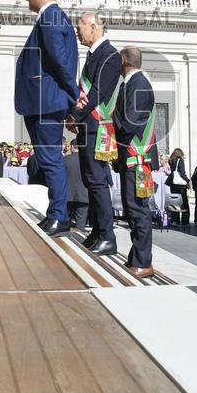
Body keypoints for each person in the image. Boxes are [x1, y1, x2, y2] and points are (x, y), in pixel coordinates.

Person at [15, 0, 78, 236]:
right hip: (45, 101)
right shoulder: (54, 17)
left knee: (51, 160)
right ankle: (56, 213)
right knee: (48, 159)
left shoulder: (50, 17)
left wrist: (74, 96)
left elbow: (60, 61)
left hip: (46, 102)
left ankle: (59, 216)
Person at [66, 13, 121, 254]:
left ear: (93, 27)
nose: (77, 33)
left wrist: (74, 116)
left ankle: (108, 236)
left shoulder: (109, 55)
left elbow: (97, 93)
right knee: (90, 181)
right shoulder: (93, 55)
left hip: (97, 127)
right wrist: (75, 116)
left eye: (79, 28)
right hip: (87, 127)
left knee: (97, 182)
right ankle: (97, 232)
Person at [113, 46, 158, 278]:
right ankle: (136, 257)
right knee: (132, 209)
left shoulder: (139, 84)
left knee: (138, 210)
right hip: (130, 157)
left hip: (137, 157)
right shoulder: (130, 84)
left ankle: (143, 261)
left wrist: (110, 127)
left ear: (123, 60)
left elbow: (130, 123)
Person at [167, 148, 191, 226]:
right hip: (180, 185)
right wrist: (188, 181)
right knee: (184, 203)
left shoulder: (171, 160)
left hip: (173, 183)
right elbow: (182, 173)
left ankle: (175, 221)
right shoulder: (180, 160)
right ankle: (185, 221)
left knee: (174, 202)